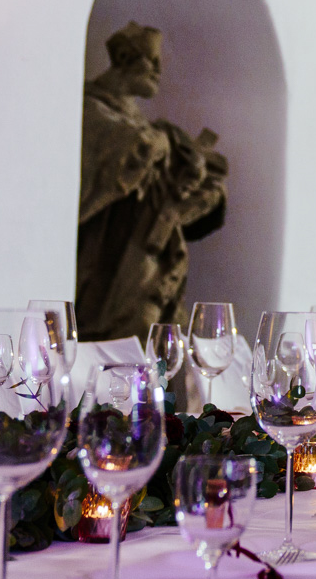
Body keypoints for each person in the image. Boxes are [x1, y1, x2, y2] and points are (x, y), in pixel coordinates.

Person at [76, 22, 228, 342]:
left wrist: (195, 180)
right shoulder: (91, 108)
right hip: (107, 263)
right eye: (151, 60)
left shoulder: (141, 122)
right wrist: (158, 144)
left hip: (145, 262)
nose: (158, 70)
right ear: (124, 59)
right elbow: (123, 151)